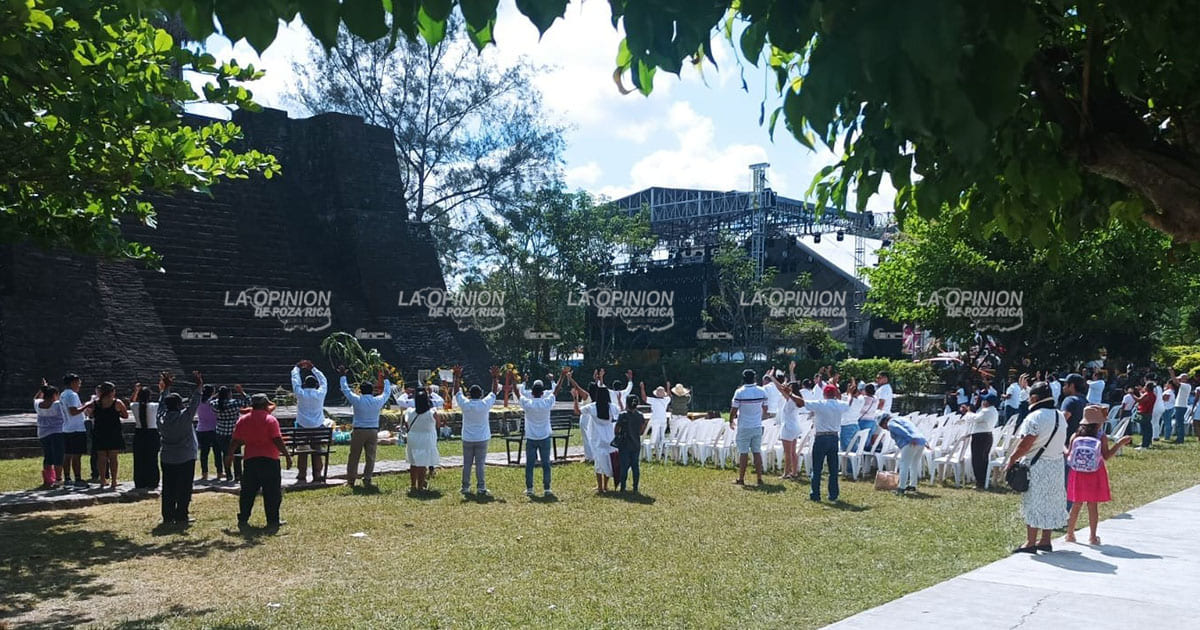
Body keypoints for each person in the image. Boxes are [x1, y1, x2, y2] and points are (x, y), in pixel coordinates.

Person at [1004, 382, 1068, 554]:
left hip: (1036, 465)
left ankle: (1030, 542)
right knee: (1051, 502)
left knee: (1033, 501)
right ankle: (1045, 540)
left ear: (1034, 398)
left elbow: (1025, 445)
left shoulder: (1035, 417)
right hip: (1056, 465)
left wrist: (1011, 459)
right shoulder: (1060, 416)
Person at [1065, 405, 1132, 545]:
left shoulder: (1075, 435)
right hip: (1094, 473)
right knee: (1092, 505)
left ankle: (1070, 534)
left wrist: (1062, 447)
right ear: (1099, 422)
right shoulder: (1101, 436)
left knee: (1076, 504)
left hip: (1077, 473)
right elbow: (1106, 456)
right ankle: (1093, 536)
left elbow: (1069, 455)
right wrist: (1119, 444)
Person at [226, 394, 291, 529]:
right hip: (270, 459)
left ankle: (243, 518)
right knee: (272, 492)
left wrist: (229, 455)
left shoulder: (243, 420)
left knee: (248, 492)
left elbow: (235, 440)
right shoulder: (271, 420)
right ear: (264, 404)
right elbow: (277, 439)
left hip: (250, 460)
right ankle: (273, 520)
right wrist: (287, 455)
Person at [788, 384, 849, 501]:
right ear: (835, 394)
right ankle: (833, 494)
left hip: (821, 437)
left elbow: (802, 402)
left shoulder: (820, 404)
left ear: (824, 394)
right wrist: (850, 393)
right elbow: (848, 404)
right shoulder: (840, 405)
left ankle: (815, 494)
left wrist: (790, 394)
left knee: (817, 468)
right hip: (834, 437)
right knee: (833, 469)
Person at [157, 372, 203, 525]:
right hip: (185, 457)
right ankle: (182, 515)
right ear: (179, 405)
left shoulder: (161, 418)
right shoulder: (185, 417)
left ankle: (168, 516)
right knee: (184, 488)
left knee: (168, 487)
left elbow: (162, 404)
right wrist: (199, 385)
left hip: (167, 457)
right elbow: (195, 402)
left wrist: (165, 389)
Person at [339, 367, 391, 489]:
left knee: (354, 456)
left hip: (359, 430)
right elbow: (387, 393)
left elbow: (346, 390)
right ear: (372, 390)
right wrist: (386, 380)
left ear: (360, 391)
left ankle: (351, 480)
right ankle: (367, 478)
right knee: (370, 456)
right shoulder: (377, 400)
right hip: (373, 431)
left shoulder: (357, 400)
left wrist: (342, 376)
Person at [516, 368, 565, 497]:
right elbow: (557, 390)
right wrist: (562, 376)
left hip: (531, 437)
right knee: (546, 464)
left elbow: (517, 393)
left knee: (530, 464)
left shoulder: (528, 403)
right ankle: (547, 488)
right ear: (543, 393)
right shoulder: (546, 402)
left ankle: (530, 488)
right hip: (544, 436)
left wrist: (512, 378)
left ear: (531, 392)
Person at [454, 365, 500, 496]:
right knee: (480, 464)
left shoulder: (465, 404)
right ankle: (481, 487)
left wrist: (457, 376)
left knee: (467, 464)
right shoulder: (485, 404)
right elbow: (494, 393)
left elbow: (456, 392)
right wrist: (495, 377)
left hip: (468, 438)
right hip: (482, 438)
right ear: (481, 394)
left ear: (469, 394)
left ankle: (465, 487)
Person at [78, 381, 128, 491]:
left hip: (100, 432)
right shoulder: (117, 402)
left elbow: (90, 414)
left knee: (101, 458)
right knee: (113, 458)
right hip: (113, 432)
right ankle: (114, 481)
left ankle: (102, 480)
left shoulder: (95, 403)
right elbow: (125, 415)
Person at [729, 369, 769, 487]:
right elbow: (765, 409)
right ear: (755, 378)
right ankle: (759, 478)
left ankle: (741, 478)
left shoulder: (739, 392)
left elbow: (734, 409)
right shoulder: (762, 391)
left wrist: (731, 420)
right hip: (757, 425)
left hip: (744, 426)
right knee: (757, 452)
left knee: (743, 453)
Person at [291, 360, 329, 483]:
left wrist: (297, 368)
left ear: (305, 384)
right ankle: (317, 474)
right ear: (315, 385)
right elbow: (324, 381)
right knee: (317, 449)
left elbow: (295, 381)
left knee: (302, 449)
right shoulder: (320, 393)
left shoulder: (300, 393)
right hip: (318, 426)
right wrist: (313, 368)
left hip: (302, 426)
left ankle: (302, 473)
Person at [578, 382, 618, 493]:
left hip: (597, 438)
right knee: (608, 461)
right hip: (610, 437)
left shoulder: (593, 407)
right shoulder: (612, 407)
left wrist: (575, 398)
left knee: (599, 463)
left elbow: (577, 411)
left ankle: (600, 487)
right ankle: (605, 485)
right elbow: (620, 410)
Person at [765, 373, 802, 480]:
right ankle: (794, 472)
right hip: (795, 427)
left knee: (788, 453)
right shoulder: (798, 399)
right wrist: (791, 371)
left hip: (788, 428)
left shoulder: (791, 399)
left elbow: (780, 388)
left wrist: (772, 377)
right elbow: (786, 387)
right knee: (793, 452)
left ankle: (786, 473)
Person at [878, 413, 928, 494]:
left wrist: (910, 438)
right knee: (914, 465)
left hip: (910, 442)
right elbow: (915, 429)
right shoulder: (903, 419)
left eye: (882, 426)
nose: (884, 428)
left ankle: (901, 488)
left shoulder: (891, 423)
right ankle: (913, 485)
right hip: (921, 441)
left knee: (904, 465)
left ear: (885, 421)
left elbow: (899, 429)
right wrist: (925, 442)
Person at [213, 385, 250, 483]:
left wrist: (217, 395)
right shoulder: (234, 403)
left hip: (220, 432)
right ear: (229, 394)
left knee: (226, 453)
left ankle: (228, 474)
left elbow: (210, 401)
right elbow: (248, 402)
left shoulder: (215, 404)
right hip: (234, 432)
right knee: (236, 454)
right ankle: (238, 475)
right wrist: (242, 392)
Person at [962, 395, 999, 490]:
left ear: (987, 402)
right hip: (987, 435)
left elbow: (975, 418)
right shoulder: (993, 411)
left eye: (984, 400)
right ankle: (983, 480)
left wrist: (968, 411)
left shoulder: (986, 411)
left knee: (978, 459)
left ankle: (980, 482)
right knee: (983, 459)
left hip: (980, 436)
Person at [34, 382, 66, 489]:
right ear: (54, 395)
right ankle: (58, 478)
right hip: (57, 432)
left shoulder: (38, 404)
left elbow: (36, 398)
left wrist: (42, 389)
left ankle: (48, 479)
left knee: (48, 456)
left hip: (42, 433)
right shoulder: (57, 405)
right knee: (58, 455)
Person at [58, 373, 88, 487]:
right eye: (78, 383)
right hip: (76, 428)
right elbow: (73, 411)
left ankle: (67, 478)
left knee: (68, 454)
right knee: (76, 455)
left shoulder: (63, 394)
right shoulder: (72, 395)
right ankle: (78, 478)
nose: (79, 385)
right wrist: (87, 405)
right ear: (73, 383)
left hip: (67, 428)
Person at [129, 384, 161, 490]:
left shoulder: (135, 406)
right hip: (152, 433)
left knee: (139, 459)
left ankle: (140, 482)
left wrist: (136, 391)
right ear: (149, 396)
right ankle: (152, 481)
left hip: (139, 433)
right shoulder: (154, 406)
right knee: (152, 459)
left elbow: (131, 401)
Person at [614, 394, 647, 493]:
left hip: (624, 444)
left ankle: (623, 487)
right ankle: (635, 487)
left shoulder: (622, 415)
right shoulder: (640, 415)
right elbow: (641, 431)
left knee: (624, 466)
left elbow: (616, 430)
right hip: (636, 443)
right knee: (635, 466)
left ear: (627, 404)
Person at [193, 385, 220, 482]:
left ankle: (204, 473)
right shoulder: (213, 403)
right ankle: (219, 472)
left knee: (204, 453)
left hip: (201, 429)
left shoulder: (199, 402)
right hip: (213, 429)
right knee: (217, 452)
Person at [640, 382, 670, 460]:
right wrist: (668, 387)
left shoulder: (655, 400)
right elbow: (669, 395)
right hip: (661, 420)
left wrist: (642, 388)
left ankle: (657, 452)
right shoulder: (665, 400)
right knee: (660, 436)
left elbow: (644, 398)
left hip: (657, 420)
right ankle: (659, 452)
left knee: (657, 437)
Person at [839, 381, 865, 452]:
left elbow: (848, 403)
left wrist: (850, 392)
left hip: (846, 426)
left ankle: (848, 463)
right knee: (853, 450)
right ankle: (855, 463)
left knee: (846, 451)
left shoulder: (848, 401)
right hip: (855, 425)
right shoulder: (861, 400)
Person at [1134, 382, 1156, 449]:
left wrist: (1132, 394)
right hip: (1149, 413)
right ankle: (1148, 442)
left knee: (1144, 430)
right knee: (1148, 429)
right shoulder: (1153, 395)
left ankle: (1144, 445)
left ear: (1148, 387)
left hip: (1144, 413)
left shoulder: (1147, 394)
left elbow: (1139, 400)